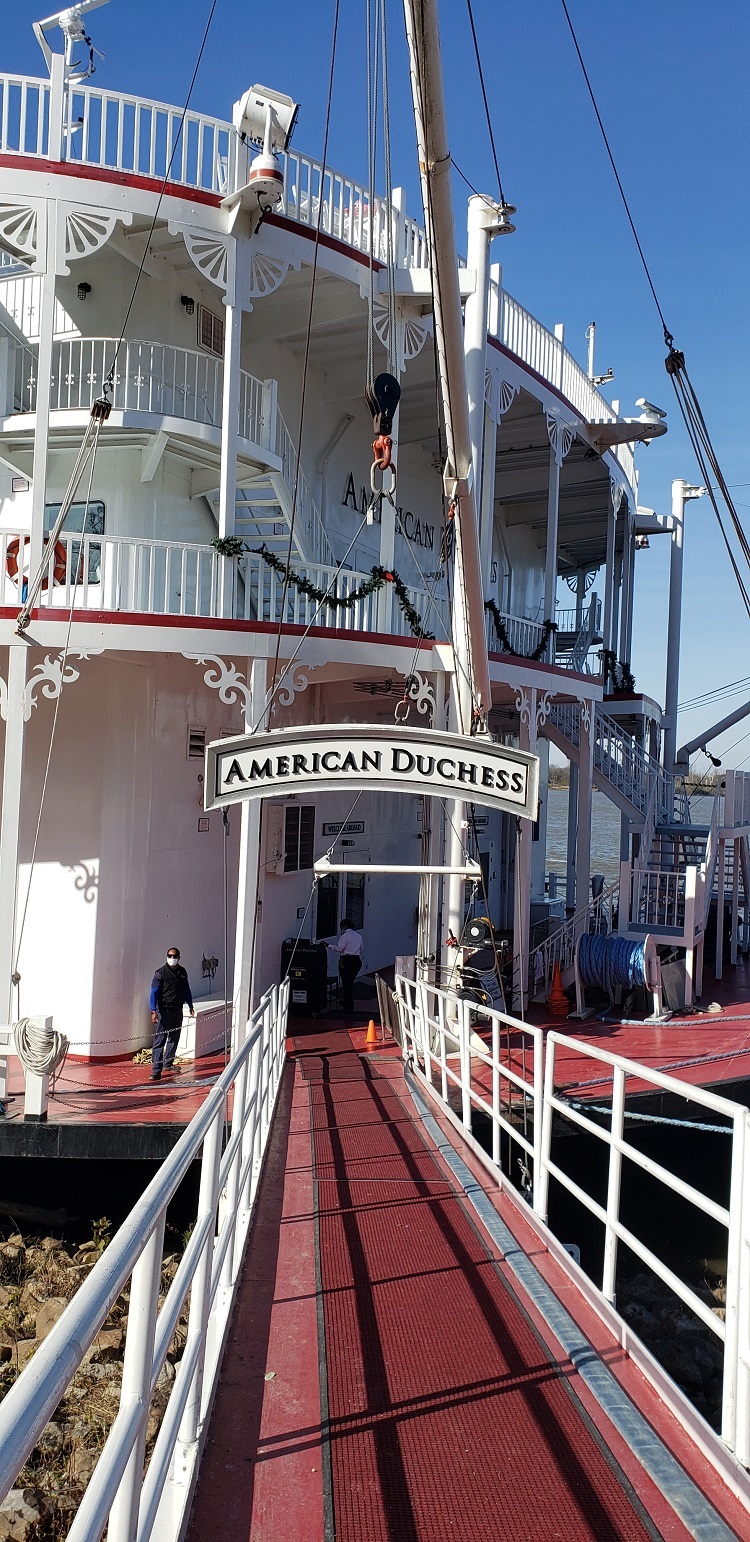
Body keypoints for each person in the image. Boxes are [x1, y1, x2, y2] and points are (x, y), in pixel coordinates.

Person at [149, 948, 194, 1081]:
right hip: (164, 1011)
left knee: (174, 1038)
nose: (172, 958)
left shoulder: (182, 972)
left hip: (177, 1010)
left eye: (174, 956)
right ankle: (156, 1070)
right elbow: (153, 993)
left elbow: (187, 990)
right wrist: (153, 1011)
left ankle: (168, 1063)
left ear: (179, 957)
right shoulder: (160, 973)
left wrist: (191, 1006)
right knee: (160, 1040)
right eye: (169, 956)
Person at [327, 920, 364, 1015]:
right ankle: (348, 1003)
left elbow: (340, 948)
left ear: (344, 926)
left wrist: (328, 945)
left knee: (346, 983)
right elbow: (361, 949)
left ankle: (348, 1006)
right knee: (350, 982)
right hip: (356, 960)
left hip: (346, 961)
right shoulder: (358, 936)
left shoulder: (344, 936)